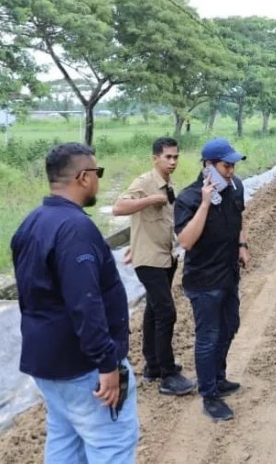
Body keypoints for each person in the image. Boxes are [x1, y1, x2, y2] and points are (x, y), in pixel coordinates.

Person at [11, 142, 138, 463]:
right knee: (111, 446)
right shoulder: (76, 229)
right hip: (85, 368)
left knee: (64, 441)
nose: (99, 180)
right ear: (83, 177)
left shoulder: (31, 223)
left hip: (48, 365)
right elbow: (85, 303)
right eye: (97, 173)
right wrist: (107, 364)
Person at [112, 137, 195, 396]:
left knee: (153, 312)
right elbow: (119, 207)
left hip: (164, 256)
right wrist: (149, 200)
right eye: (167, 157)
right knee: (166, 312)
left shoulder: (168, 184)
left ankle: (153, 366)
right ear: (155, 158)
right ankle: (168, 375)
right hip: (149, 260)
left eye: (175, 157)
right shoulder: (145, 182)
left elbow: (161, 222)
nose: (172, 162)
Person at [174, 138, 250, 422]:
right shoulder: (189, 198)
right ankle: (209, 395)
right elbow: (186, 241)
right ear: (208, 167)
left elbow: (240, 218)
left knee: (231, 325)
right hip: (204, 281)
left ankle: (218, 376)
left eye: (232, 165)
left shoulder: (235, 187)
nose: (230, 171)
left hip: (228, 273)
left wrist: (243, 246)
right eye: (225, 166)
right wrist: (205, 204)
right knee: (208, 336)